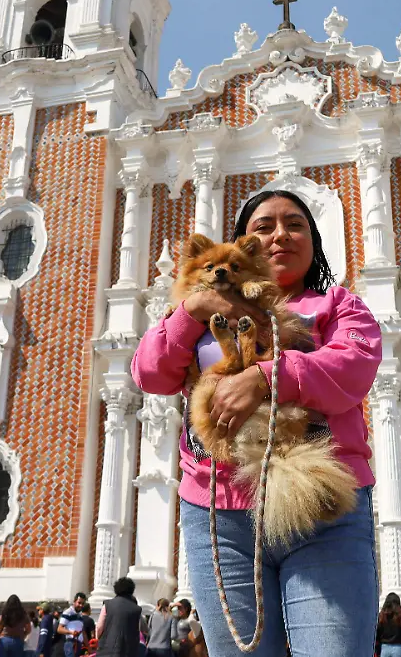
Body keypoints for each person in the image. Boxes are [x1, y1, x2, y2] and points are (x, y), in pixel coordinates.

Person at [133, 190, 382, 656]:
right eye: (263, 226)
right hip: (219, 516)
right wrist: (194, 311)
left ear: (314, 240)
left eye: (295, 224)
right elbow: (149, 372)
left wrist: (265, 378)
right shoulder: (188, 316)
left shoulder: (338, 306)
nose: (280, 235)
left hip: (321, 506)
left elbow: (352, 367)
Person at [93, 578, 141, 657]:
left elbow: (99, 627)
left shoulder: (107, 604)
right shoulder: (136, 609)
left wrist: (99, 640)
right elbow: (137, 631)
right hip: (128, 651)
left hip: (107, 649)